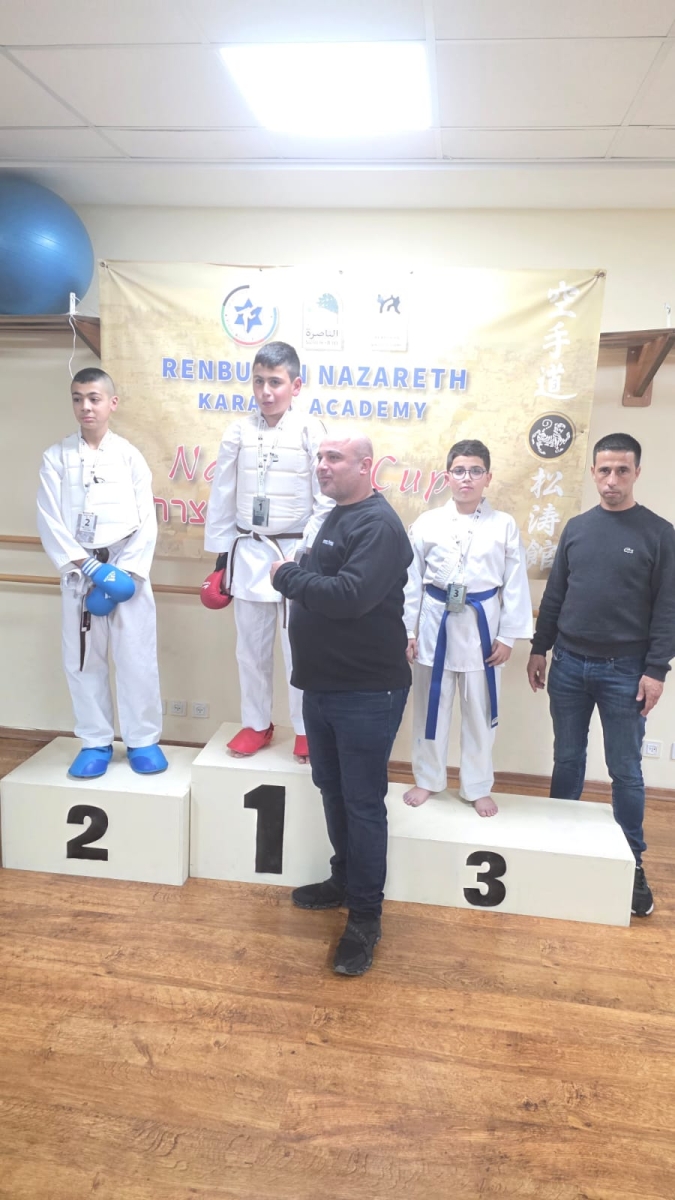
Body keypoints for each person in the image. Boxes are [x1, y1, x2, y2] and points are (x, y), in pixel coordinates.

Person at [270, 434, 412, 976]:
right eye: (319, 458)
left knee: (362, 802)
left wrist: (285, 576)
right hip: (323, 686)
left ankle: (366, 918)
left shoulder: (378, 525)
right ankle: (344, 879)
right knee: (331, 789)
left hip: (367, 691)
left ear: (365, 466)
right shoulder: (334, 514)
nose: (322, 466)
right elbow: (326, 581)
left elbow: (349, 595)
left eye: (334, 458)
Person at [527, 432, 675, 917]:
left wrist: (656, 671)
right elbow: (555, 595)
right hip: (568, 664)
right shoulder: (577, 528)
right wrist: (540, 648)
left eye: (622, 470)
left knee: (625, 771)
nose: (612, 480)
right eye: (604, 470)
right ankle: (558, 847)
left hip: (626, 672)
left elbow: (668, 610)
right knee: (567, 759)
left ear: (637, 473)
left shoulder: (659, 533)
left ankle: (632, 864)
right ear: (593, 472)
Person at [203, 342, 332, 763]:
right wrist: (221, 559)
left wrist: (308, 554)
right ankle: (256, 723)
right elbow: (223, 494)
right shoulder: (238, 431)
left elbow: (325, 500)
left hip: (296, 552)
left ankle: (305, 728)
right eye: (258, 381)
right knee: (251, 647)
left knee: (300, 647)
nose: (266, 391)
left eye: (275, 382)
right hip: (249, 550)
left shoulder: (311, 430)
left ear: (296, 385)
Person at [37, 367, 167, 779]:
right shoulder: (56, 457)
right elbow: (49, 518)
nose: (85, 407)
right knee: (81, 659)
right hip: (81, 572)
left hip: (127, 571)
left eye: (94, 398)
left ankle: (142, 739)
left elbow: (147, 521)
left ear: (112, 403)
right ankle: (95, 740)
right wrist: (89, 566)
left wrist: (121, 575)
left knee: (137, 658)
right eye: (78, 398)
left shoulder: (129, 456)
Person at [402, 439, 532, 817]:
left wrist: (508, 636)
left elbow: (516, 582)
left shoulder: (503, 524)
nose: (466, 478)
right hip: (435, 622)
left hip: (482, 626)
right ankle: (428, 778)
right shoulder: (427, 523)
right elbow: (411, 581)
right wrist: (408, 631)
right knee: (430, 708)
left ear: (488, 477)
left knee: (480, 712)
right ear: (447, 476)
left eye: (475, 471)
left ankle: (477, 786)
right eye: (459, 470)